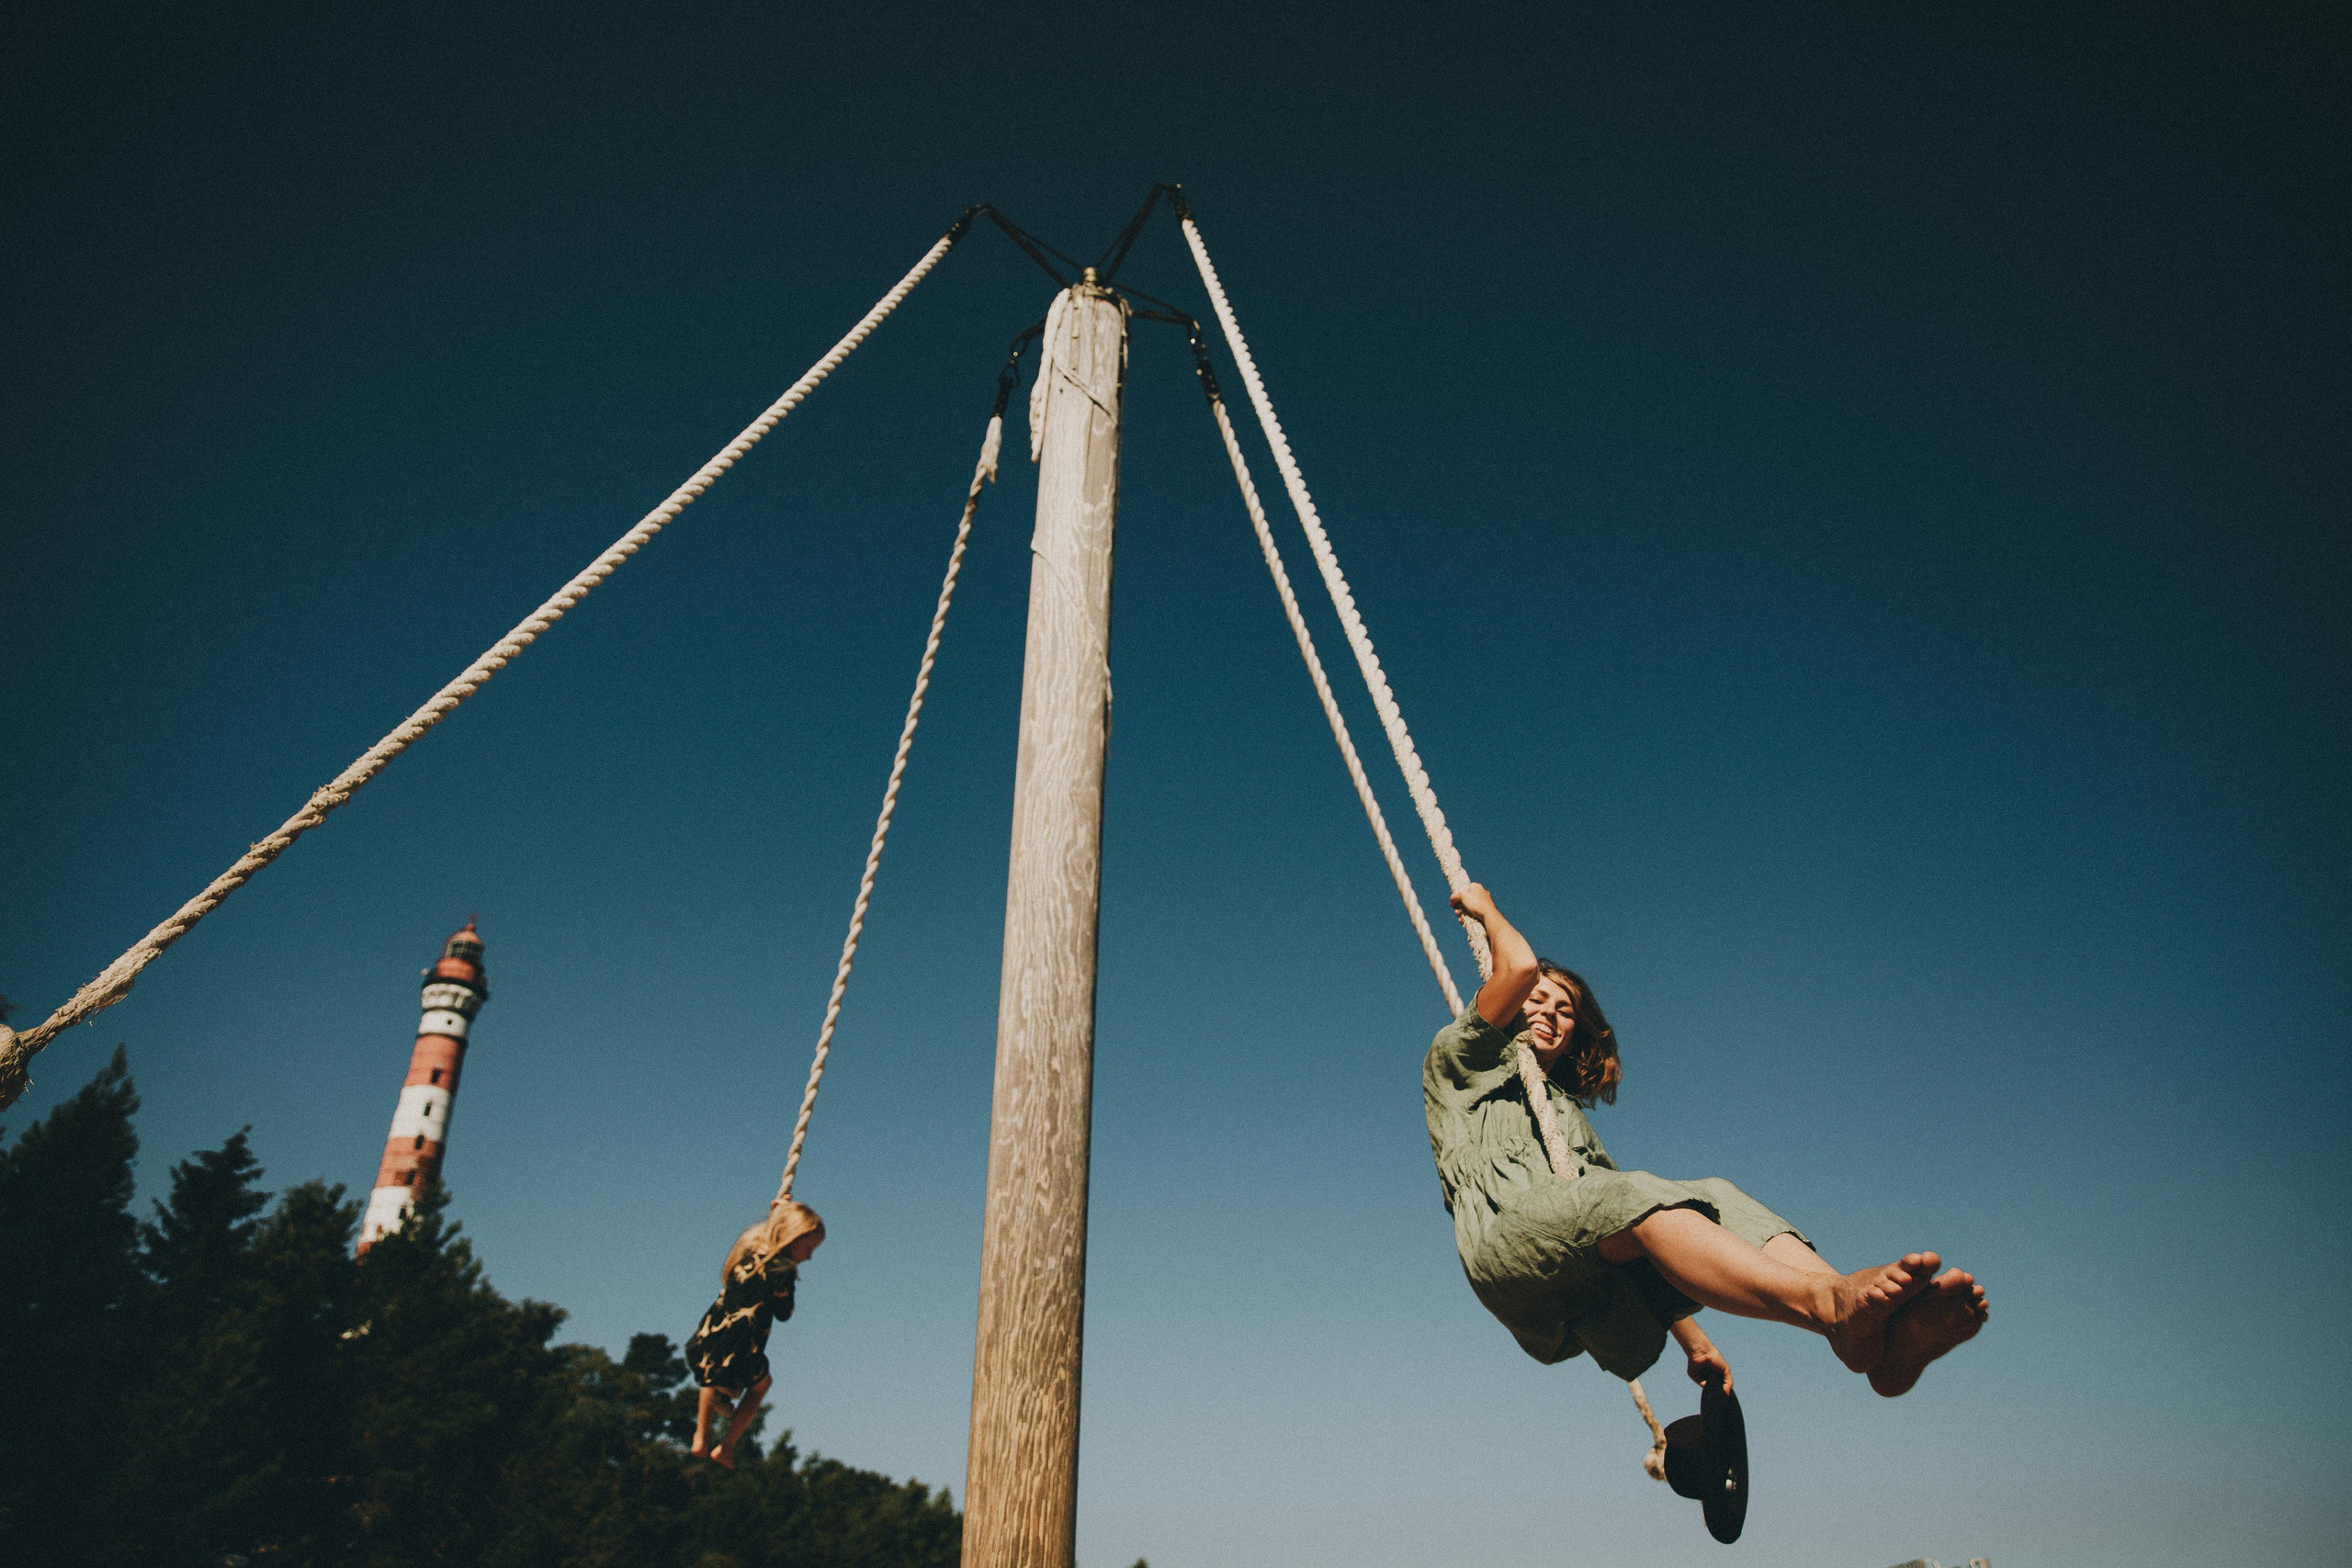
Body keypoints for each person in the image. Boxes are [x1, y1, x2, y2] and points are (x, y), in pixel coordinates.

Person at [1428, 884, 1984, 1401]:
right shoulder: (1461, 1058)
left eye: (1564, 1010)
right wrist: (1485, 908)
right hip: (1511, 1251)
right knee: (1627, 1194)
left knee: (1712, 1193)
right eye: (1537, 1000)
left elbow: (1632, 1228)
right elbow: (1520, 968)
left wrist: (1695, 1343)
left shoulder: (1566, 1119)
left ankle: (1873, 1336)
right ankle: (1830, 1307)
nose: (1549, 1013)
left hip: (1593, 1286)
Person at [686, 1200, 825, 1469]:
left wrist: (777, 1215)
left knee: (709, 1372)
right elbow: (784, 1313)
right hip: (743, 1348)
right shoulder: (782, 1272)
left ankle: (700, 1436)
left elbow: (768, 1235)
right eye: (808, 1248)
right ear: (792, 1236)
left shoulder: (749, 1247)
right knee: (762, 1385)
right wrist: (789, 1283)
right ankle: (726, 1447)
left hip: (712, 1333)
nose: (809, 1257)